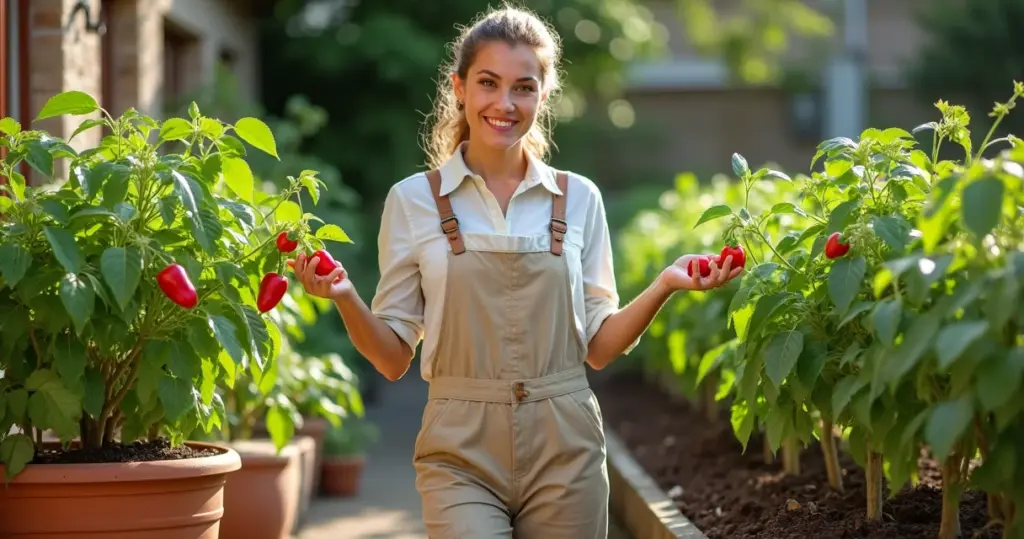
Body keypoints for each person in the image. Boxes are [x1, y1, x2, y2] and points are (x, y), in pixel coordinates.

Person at [289, 5, 741, 538]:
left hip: (565, 444)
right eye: (488, 83)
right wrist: (346, 297)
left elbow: (597, 347)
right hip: (458, 448)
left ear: (544, 95)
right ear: (459, 88)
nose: (504, 104)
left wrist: (666, 283)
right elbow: (391, 359)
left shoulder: (578, 199)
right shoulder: (413, 201)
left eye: (523, 87)